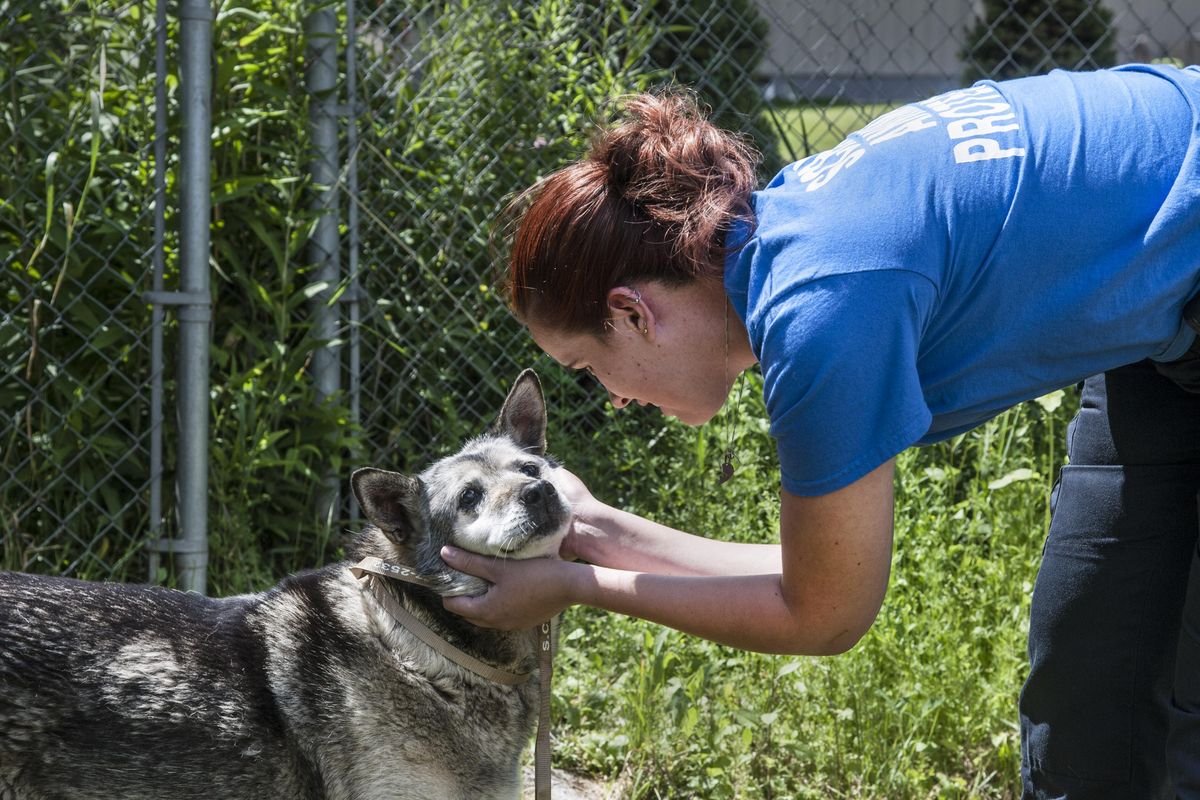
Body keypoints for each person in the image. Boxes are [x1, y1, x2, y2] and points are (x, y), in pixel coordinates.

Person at [438, 64, 1200, 798]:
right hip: (1164, 320)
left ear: (634, 313)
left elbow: (825, 616)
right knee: (1089, 704)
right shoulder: (784, 251)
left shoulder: (823, 312)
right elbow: (813, 580)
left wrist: (578, 584)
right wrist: (599, 530)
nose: (613, 400)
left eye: (587, 367)